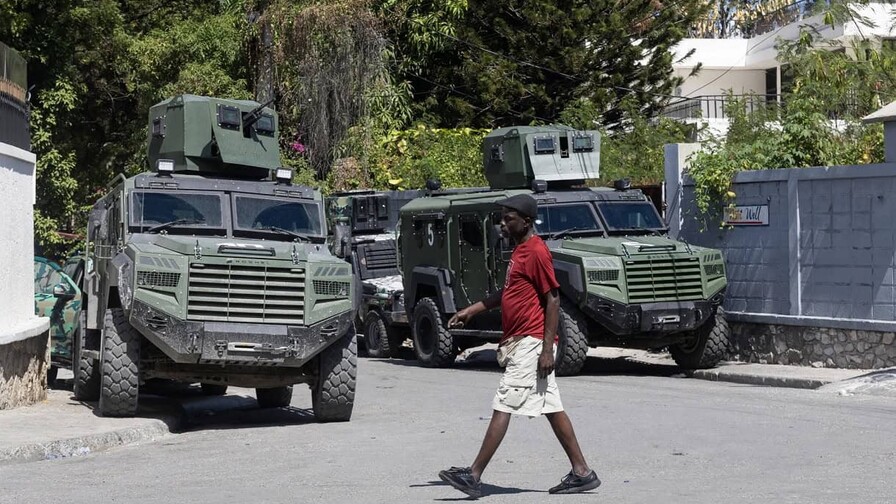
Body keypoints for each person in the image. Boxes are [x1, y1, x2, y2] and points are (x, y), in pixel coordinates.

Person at [438, 194, 600, 499]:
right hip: (523, 340)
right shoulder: (520, 251)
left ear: (526, 221)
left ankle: (473, 475)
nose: (502, 223)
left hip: (530, 341)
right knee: (552, 407)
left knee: (504, 402)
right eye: (501, 217)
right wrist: (471, 310)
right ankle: (582, 473)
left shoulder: (537, 252)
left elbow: (553, 298)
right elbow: (509, 291)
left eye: (508, 218)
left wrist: (547, 349)